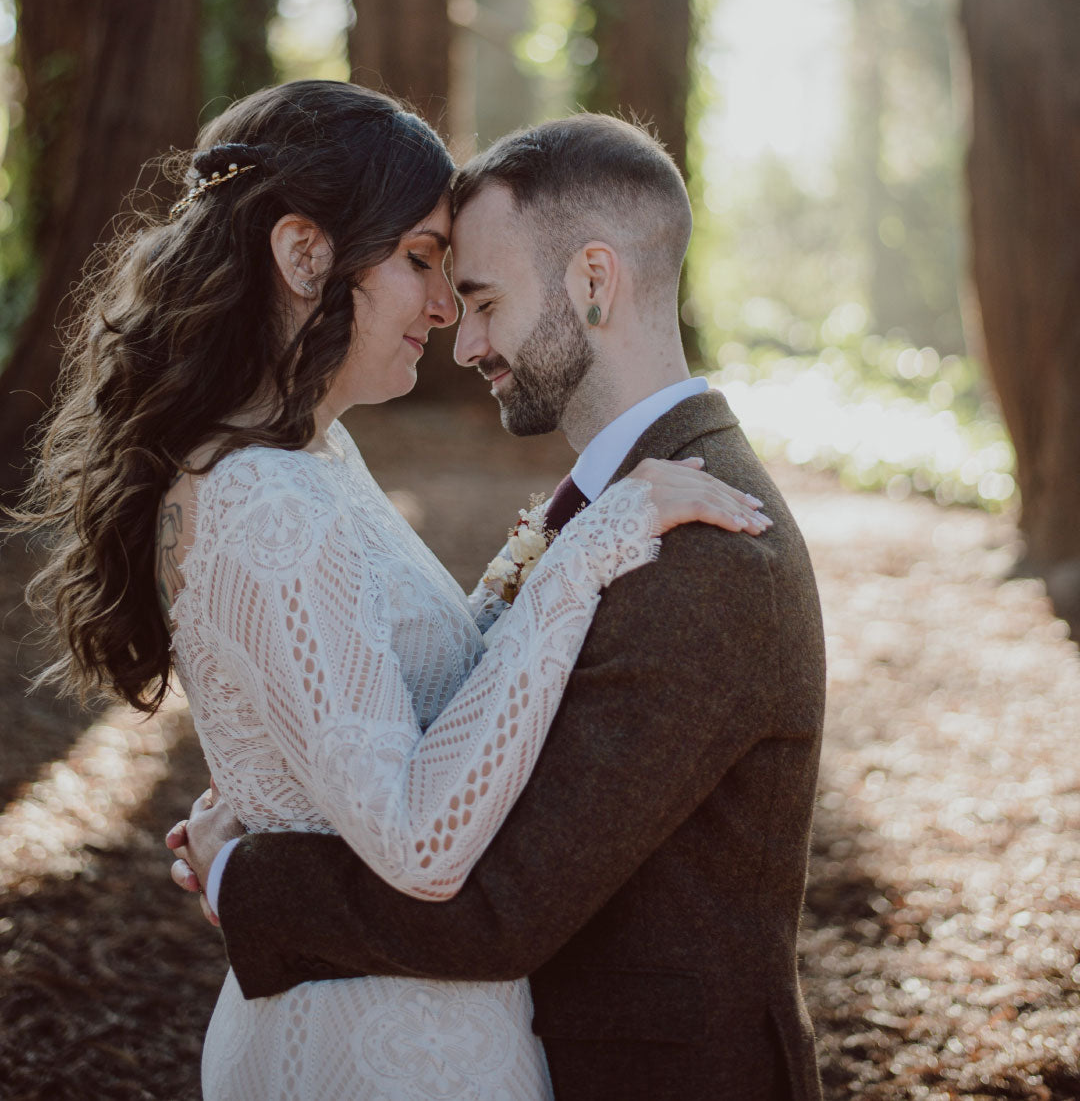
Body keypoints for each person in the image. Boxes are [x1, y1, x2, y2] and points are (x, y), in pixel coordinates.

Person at [15, 81, 762, 1101]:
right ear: (303, 255)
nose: (446, 307)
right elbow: (419, 844)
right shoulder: (264, 496)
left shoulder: (313, 455)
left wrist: (253, 852)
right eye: (418, 260)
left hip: (406, 1014)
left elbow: (388, 715)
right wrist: (595, 548)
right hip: (378, 1048)